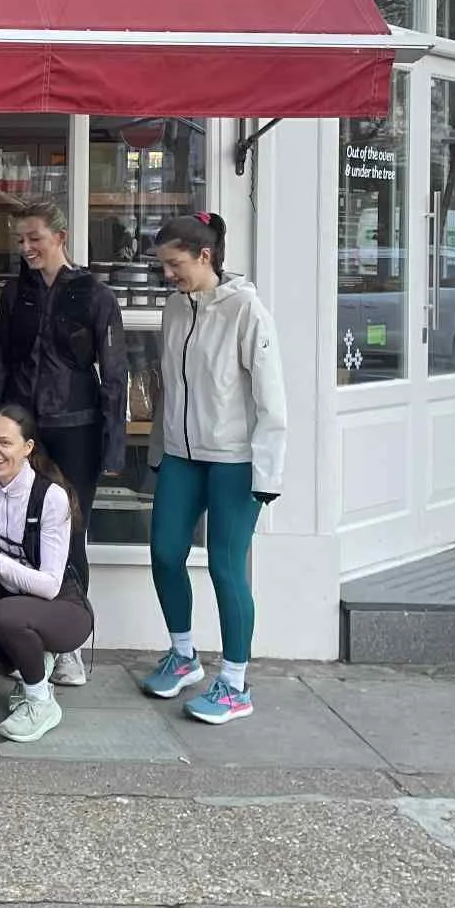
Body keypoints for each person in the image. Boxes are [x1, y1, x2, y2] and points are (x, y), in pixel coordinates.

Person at [143, 212, 286, 725]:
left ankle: (234, 682)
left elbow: (272, 401)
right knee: (163, 553)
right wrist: (158, 450)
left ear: (206, 256)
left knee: (227, 568)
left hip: (234, 461)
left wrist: (267, 475)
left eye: (174, 264)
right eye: (163, 265)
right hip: (182, 455)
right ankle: (183, 656)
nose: (167, 275)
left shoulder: (247, 310)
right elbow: (169, 387)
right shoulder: (175, 308)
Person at [0, 196, 125, 687]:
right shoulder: (13, 294)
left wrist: (113, 445)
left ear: (60, 238)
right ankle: (19, 635)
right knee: (14, 528)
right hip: (26, 429)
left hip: (78, 428)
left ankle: (68, 642)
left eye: (35, 239)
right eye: (20, 240)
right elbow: (0, 361)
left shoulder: (94, 294)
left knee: (70, 533)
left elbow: (115, 375)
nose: (26, 248)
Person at [0, 405, 93, 743]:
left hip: (64, 609)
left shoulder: (51, 497)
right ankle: (36, 660)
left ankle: (41, 702)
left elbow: (49, 585)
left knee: (7, 613)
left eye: (4, 443)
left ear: (27, 447)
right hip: (12, 610)